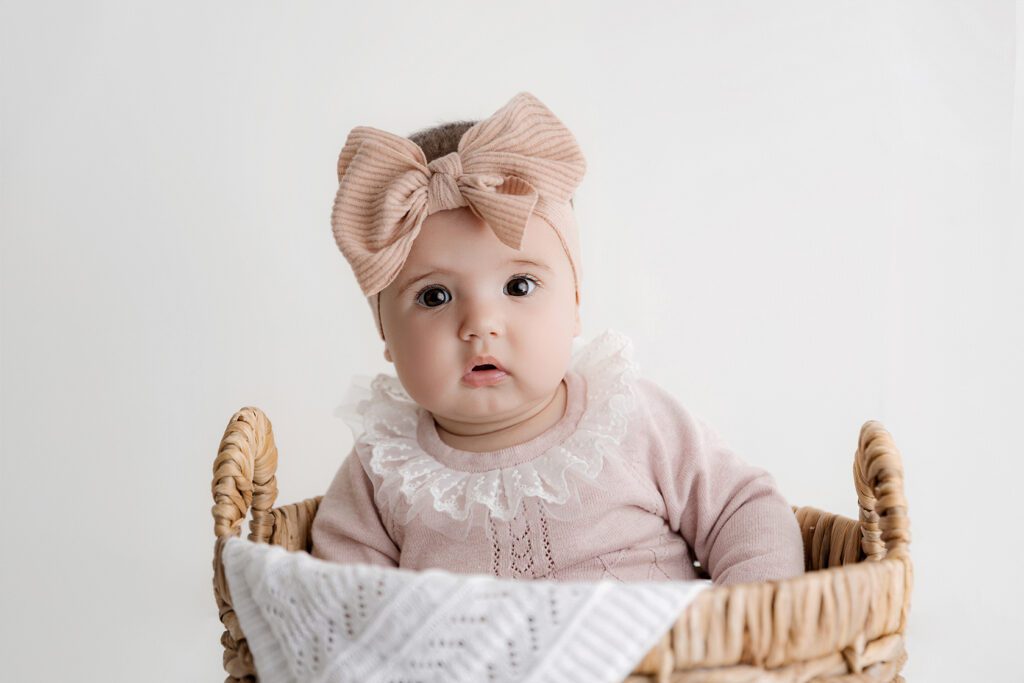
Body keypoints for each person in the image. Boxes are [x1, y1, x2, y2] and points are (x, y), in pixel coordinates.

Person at [311, 91, 805, 586]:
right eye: (434, 296)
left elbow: (743, 509)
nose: (480, 324)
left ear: (574, 305)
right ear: (386, 335)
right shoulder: (383, 469)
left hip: (660, 639)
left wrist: (746, 618)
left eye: (519, 286)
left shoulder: (630, 420)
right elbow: (338, 599)